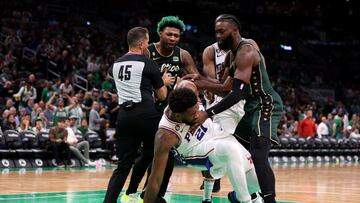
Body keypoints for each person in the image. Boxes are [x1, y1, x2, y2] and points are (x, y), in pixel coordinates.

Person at [184, 14, 284, 203]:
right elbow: (224, 88)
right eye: (216, 32)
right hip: (251, 108)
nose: (218, 36)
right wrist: (201, 82)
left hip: (265, 104)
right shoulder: (231, 55)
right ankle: (241, 195)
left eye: (222, 32)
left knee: (258, 154)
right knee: (233, 148)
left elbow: (236, 94)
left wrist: (207, 113)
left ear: (235, 31)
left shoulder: (245, 51)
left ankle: (268, 200)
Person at [123, 16, 202, 202]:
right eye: (169, 34)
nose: (173, 38)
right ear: (160, 34)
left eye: (176, 35)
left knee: (168, 155)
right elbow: (136, 79)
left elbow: (196, 78)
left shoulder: (183, 55)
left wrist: (187, 83)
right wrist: (159, 81)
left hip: (169, 111)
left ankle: (152, 194)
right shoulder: (147, 52)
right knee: (149, 153)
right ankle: (129, 192)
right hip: (148, 108)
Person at [144, 85, 263, 203]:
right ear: (178, 115)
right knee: (230, 149)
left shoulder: (188, 88)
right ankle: (245, 201)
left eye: (198, 109)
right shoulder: (165, 135)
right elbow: (155, 178)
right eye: (192, 114)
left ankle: (236, 197)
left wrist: (208, 88)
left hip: (217, 135)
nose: (198, 115)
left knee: (259, 182)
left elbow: (196, 77)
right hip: (194, 152)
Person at [103, 26, 168, 203]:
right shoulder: (149, 63)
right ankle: (145, 195)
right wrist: (164, 81)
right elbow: (162, 95)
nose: (148, 45)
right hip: (147, 115)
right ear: (141, 44)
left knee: (122, 166)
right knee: (154, 154)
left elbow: (111, 76)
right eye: (147, 41)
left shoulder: (115, 64)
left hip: (124, 117)